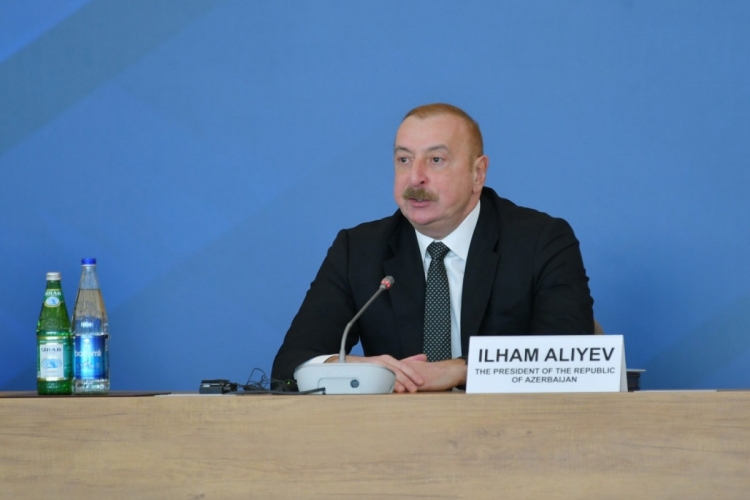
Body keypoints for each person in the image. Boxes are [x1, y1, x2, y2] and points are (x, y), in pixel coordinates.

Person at [272, 103, 594, 392]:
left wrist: (460, 370)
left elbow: (568, 359)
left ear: (478, 173)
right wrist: (351, 367)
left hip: (512, 430)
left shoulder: (541, 241)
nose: (415, 178)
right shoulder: (357, 250)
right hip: (397, 434)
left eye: (436, 160)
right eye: (404, 160)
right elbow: (291, 364)